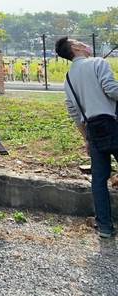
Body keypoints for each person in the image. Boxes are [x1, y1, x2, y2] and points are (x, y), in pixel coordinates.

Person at [55, 36, 118, 239]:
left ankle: (105, 227)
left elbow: (74, 112)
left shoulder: (68, 78)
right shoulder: (98, 63)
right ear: (74, 47)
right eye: (78, 41)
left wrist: (87, 139)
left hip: (93, 129)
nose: (84, 43)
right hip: (112, 124)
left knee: (99, 181)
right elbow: (111, 89)